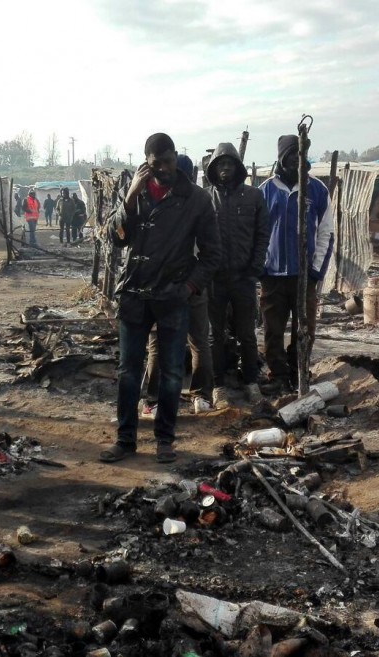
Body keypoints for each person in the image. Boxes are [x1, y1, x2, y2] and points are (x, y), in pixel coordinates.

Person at [100, 133, 220, 464]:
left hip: (172, 297)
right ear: (146, 164)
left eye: (168, 161)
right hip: (135, 295)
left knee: (169, 372)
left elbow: (212, 254)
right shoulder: (136, 195)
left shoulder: (196, 199)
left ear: (175, 157)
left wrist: (188, 288)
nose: (163, 169)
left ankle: (164, 440)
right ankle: (125, 440)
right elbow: (114, 238)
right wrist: (129, 197)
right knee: (128, 371)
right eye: (156, 164)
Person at [140, 154, 216, 416]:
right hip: (191, 282)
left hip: (169, 284)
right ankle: (201, 397)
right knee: (198, 341)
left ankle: (153, 400)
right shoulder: (200, 200)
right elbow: (211, 252)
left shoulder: (158, 201)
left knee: (158, 342)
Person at [259, 135, 335, 392]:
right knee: (273, 330)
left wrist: (315, 272)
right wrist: (261, 267)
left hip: (305, 277)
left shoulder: (317, 190)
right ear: (281, 156)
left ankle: (298, 370)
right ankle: (278, 376)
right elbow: (256, 234)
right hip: (273, 275)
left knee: (306, 329)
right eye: (291, 154)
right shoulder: (266, 191)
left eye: (300, 154)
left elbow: (326, 233)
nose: (296, 159)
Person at [205, 142, 268, 407]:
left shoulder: (253, 197)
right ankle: (218, 385)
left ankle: (251, 382)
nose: (225, 168)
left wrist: (255, 267)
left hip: (243, 277)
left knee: (247, 334)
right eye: (221, 164)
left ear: (238, 167)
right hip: (215, 280)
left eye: (230, 163)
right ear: (214, 169)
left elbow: (262, 234)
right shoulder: (205, 198)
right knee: (214, 335)